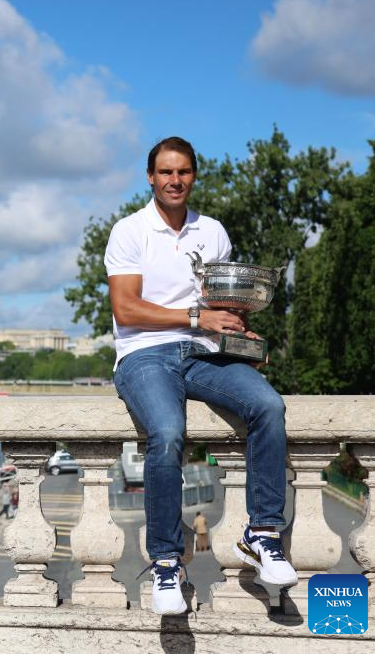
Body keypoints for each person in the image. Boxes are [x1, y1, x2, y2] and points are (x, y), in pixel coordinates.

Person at [105, 136, 297, 616]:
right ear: (150, 177)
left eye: (183, 172)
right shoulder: (129, 231)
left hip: (203, 353)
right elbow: (126, 309)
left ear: (193, 176)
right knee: (168, 433)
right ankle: (167, 562)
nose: (175, 180)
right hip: (144, 355)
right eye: (166, 172)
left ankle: (262, 534)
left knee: (268, 405)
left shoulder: (211, 232)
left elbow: (221, 305)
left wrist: (242, 336)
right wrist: (196, 318)